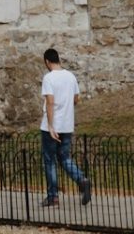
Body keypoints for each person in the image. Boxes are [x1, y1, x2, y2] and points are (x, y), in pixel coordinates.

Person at [38, 48, 91, 208]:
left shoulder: (49, 78)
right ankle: (82, 179)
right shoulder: (71, 76)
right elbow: (76, 99)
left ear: (47, 61)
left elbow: (50, 102)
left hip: (52, 127)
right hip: (67, 125)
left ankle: (53, 197)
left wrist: (51, 126)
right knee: (65, 158)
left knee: (50, 161)